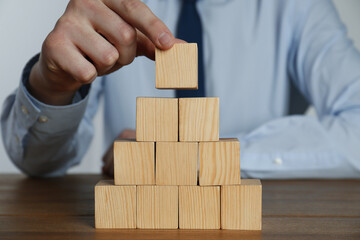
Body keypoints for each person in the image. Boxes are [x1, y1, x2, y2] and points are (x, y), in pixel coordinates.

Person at [2, 0, 360, 178]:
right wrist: (52, 88)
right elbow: (36, 164)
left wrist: (197, 160)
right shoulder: (108, 7)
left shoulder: (299, 7)